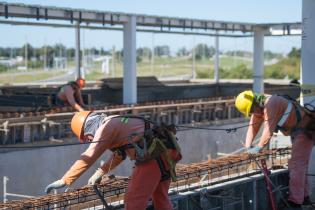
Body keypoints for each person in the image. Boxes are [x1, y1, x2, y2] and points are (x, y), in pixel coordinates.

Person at [44, 111, 182, 210]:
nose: (90, 140)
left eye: (87, 137)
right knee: (160, 198)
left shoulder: (107, 126)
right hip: (166, 154)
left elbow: (90, 155)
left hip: (152, 158)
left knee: (133, 200)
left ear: (89, 127)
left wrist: (65, 180)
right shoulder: (116, 123)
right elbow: (120, 154)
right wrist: (100, 172)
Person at [235, 90, 315, 209]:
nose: (253, 113)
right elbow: (252, 128)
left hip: (306, 130)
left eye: (252, 110)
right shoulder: (258, 108)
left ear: (256, 103)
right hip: (298, 131)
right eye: (250, 112)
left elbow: (268, 129)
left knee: (296, 165)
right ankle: (304, 197)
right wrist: (248, 146)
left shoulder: (271, 104)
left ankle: (295, 202)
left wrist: (259, 147)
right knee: (300, 165)